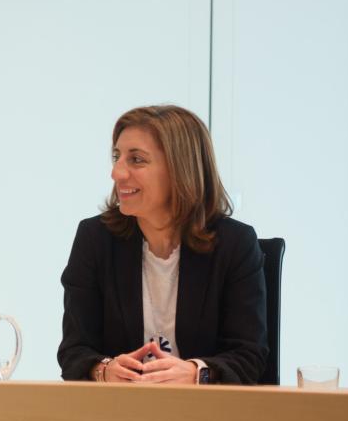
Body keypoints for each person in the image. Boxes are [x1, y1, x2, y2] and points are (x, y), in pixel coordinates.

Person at [58, 104, 267, 385]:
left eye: (136, 160)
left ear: (181, 170)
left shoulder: (235, 244)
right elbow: (74, 352)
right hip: (120, 408)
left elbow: (249, 357)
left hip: (204, 410)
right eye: (117, 157)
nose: (117, 173)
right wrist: (105, 370)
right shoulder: (95, 239)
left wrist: (196, 373)